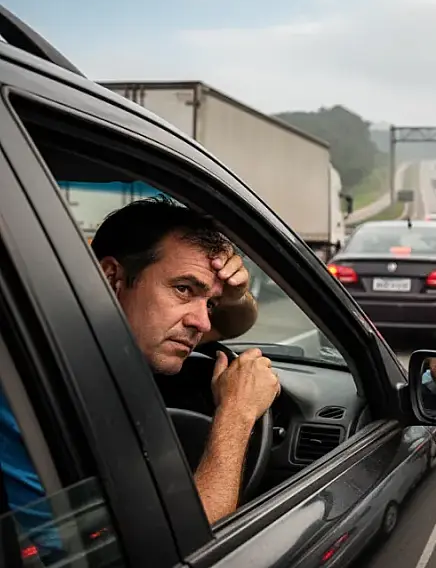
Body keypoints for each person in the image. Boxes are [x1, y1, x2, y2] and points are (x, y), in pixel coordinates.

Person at [0, 196, 280, 542]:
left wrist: (232, 295)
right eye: (183, 289)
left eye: (209, 303)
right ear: (111, 277)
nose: (202, 321)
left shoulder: (90, 340)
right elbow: (179, 551)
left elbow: (234, 323)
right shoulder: (31, 388)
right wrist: (237, 414)